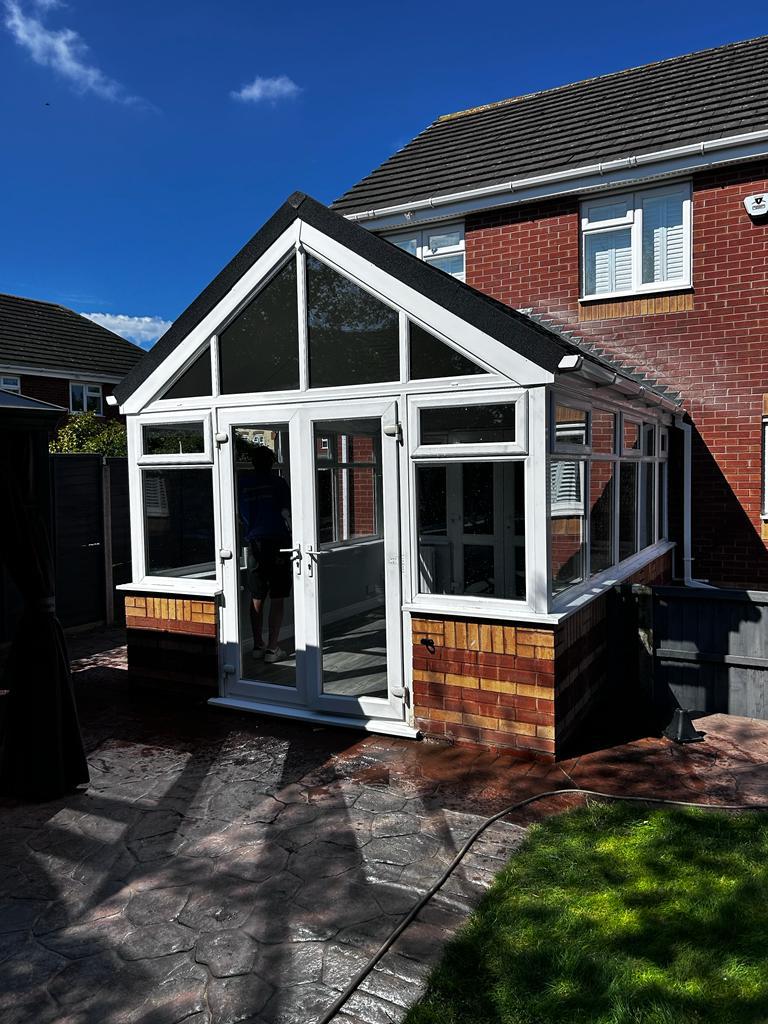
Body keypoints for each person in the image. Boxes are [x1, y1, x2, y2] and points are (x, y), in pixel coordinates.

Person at [237, 444, 292, 662]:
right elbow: (288, 512)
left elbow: (241, 513)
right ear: (271, 463)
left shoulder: (243, 484)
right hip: (277, 541)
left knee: (257, 594)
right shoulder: (278, 483)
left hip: (255, 543)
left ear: (253, 463)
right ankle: (272, 647)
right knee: (278, 595)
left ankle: (258, 645)